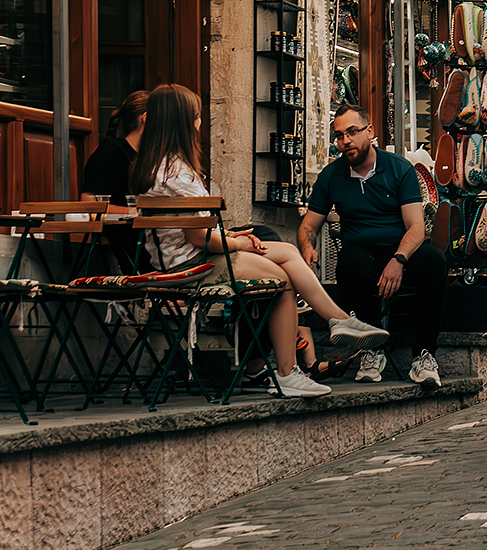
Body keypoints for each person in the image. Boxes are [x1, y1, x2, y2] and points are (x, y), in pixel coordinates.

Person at [131, 84, 387, 398]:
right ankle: (292, 367)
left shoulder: (161, 166)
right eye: (196, 117)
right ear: (181, 122)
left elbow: (188, 233)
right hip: (192, 265)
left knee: (289, 251)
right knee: (280, 279)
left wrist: (231, 237)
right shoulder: (176, 172)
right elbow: (196, 236)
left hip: (189, 258)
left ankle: (336, 324)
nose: (200, 123)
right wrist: (236, 244)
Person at [298, 105, 448, 388]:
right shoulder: (332, 175)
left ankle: (425, 355)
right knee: (349, 263)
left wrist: (398, 260)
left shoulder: (398, 169)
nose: (346, 141)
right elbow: (308, 226)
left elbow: (417, 227)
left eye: (352, 132)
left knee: (433, 262)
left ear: (370, 132)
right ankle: (372, 348)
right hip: (362, 254)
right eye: (340, 135)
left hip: (402, 251)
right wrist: (307, 246)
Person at [81, 88, 148, 267]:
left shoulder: (143, 156)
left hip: (146, 241)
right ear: (146, 118)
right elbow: (89, 204)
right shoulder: (111, 152)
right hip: (133, 247)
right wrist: (137, 212)